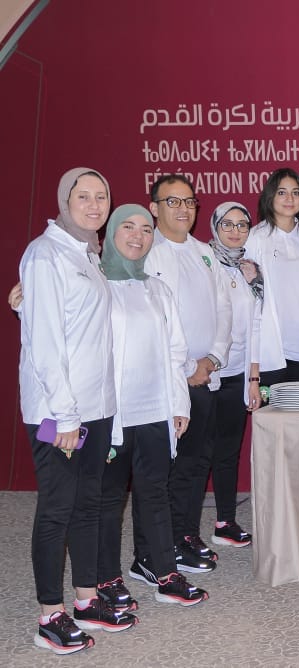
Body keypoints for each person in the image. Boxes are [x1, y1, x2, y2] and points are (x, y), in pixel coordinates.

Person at [20, 168, 122, 653]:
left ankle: (85, 600)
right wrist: (63, 415)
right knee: (57, 509)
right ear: (65, 200)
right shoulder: (46, 254)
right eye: (84, 196)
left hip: (95, 408)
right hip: (58, 412)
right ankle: (48, 615)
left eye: (101, 196)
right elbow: (45, 341)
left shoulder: (87, 254)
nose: (94, 204)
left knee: (89, 505)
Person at [96, 205, 208, 608]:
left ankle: (160, 568)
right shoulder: (95, 284)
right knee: (108, 498)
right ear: (111, 234)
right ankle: (105, 577)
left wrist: (179, 405)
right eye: (128, 227)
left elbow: (176, 352)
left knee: (154, 491)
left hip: (155, 410)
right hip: (111, 414)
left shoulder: (157, 289)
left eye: (145, 229)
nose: (138, 236)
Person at [143, 174, 231, 574]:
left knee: (197, 462)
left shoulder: (204, 253)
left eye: (189, 201)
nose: (183, 209)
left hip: (205, 376)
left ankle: (185, 535)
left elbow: (224, 310)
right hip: (168, 380)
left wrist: (211, 360)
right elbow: (152, 320)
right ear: (154, 207)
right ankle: (159, 548)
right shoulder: (147, 252)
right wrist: (186, 368)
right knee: (166, 469)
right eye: (173, 201)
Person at [205, 202, 262, 549]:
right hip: (206, 374)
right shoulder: (202, 263)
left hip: (238, 373)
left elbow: (257, 324)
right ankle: (180, 533)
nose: (235, 230)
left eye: (242, 225)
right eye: (227, 223)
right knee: (195, 456)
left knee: (227, 452)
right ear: (215, 226)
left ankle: (225, 521)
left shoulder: (250, 270)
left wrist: (253, 377)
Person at [243, 168, 299, 385]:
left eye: (296, 193)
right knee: (273, 418)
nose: (289, 199)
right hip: (271, 352)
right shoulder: (255, 238)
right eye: (282, 192)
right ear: (270, 197)